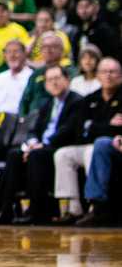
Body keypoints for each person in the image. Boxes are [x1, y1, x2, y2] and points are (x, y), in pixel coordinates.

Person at [0, 65, 82, 225]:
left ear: (67, 80)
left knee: (36, 156)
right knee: (14, 155)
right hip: (40, 147)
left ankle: (35, 210)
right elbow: (33, 130)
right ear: (45, 84)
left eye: (57, 78)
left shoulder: (77, 101)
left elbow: (69, 130)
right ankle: (5, 210)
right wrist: (31, 144)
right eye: (49, 80)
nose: (53, 83)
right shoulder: (46, 104)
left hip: (62, 147)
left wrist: (43, 145)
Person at [50, 57, 122, 224]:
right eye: (104, 71)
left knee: (97, 147)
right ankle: (72, 209)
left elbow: (94, 130)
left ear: (120, 75)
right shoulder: (89, 100)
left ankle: (95, 206)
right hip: (88, 144)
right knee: (63, 154)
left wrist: (96, 127)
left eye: (113, 72)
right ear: (97, 75)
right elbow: (81, 131)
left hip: (111, 147)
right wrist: (107, 125)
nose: (109, 75)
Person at [0, 40, 33, 115]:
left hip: (19, 121)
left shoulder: (31, 77)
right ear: (5, 56)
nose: (12, 55)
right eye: (8, 52)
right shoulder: (0, 77)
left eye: (16, 51)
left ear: (24, 54)